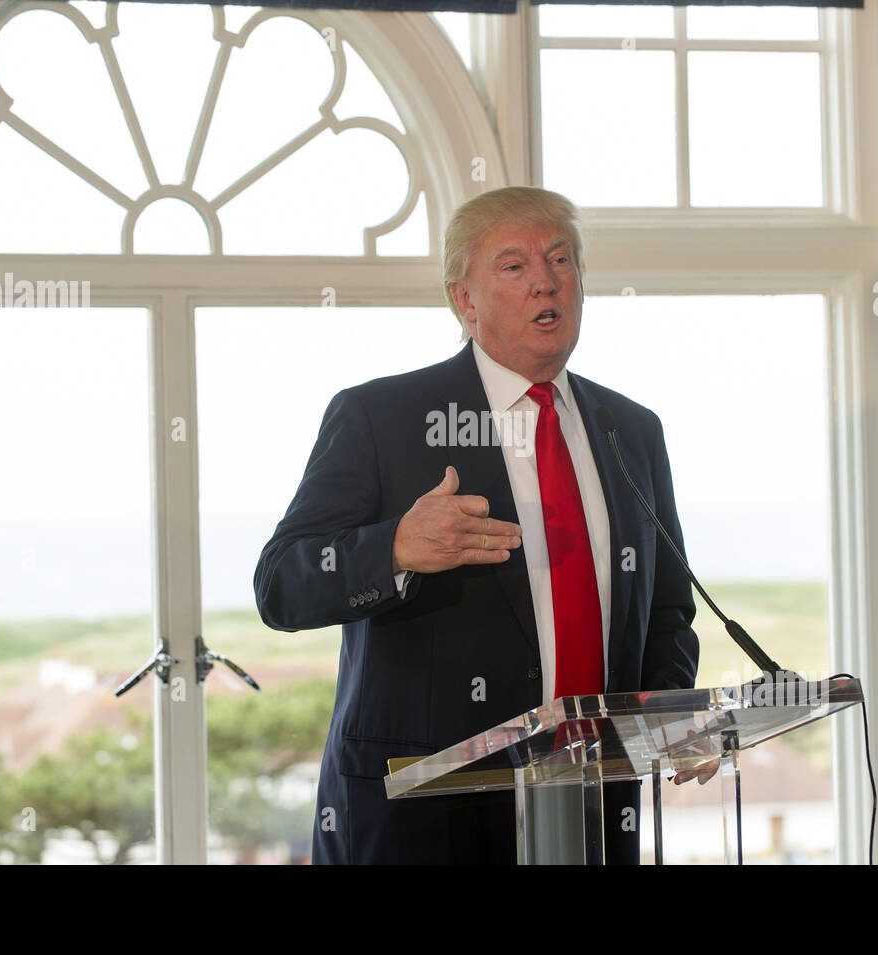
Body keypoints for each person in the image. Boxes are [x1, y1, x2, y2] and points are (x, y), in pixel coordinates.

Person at [254, 185, 708, 864]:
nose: (545, 281)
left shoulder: (632, 430)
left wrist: (667, 708)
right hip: (425, 818)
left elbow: (667, 606)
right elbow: (281, 584)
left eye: (561, 260)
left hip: (592, 804)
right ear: (464, 300)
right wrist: (397, 549)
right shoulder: (383, 418)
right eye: (514, 266)